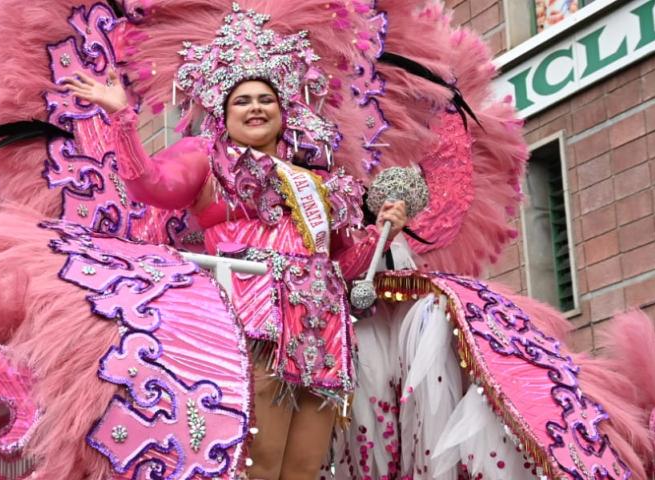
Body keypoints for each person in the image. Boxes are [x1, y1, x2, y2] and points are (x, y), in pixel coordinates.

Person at [66, 71, 409, 479]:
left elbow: (342, 267)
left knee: (305, 467)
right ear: (223, 117)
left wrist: (383, 234)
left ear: (283, 114)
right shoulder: (210, 161)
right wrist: (123, 117)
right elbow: (149, 186)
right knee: (259, 463)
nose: (256, 107)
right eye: (242, 101)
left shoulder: (316, 184)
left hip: (320, 332)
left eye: (266, 100)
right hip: (255, 320)